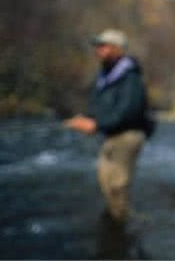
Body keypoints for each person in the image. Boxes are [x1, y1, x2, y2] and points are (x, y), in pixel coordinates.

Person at [64, 29, 153, 221]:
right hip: (112, 134)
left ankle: (124, 223)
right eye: (98, 46)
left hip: (128, 136)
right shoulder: (105, 75)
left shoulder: (130, 77)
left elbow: (129, 112)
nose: (98, 50)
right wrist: (85, 118)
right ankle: (117, 218)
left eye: (103, 46)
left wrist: (95, 126)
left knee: (117, 184)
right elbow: (101, 106)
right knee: (105, 181)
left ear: (117, 49)